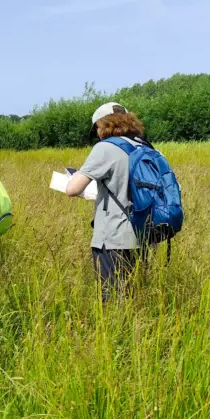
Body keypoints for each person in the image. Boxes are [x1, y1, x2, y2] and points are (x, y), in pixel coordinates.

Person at [65, 102, 147, 299]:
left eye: (97, 129)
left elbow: (72, 189)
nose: (98, 134)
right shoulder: (144, 146)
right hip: (144, 234)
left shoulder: (105, 148)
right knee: (134, 295)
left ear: (104, 125)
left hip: (113, 236)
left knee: (111, 298)